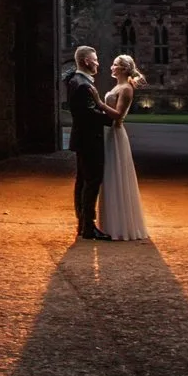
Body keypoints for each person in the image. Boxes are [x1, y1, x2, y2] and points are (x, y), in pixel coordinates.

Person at [97, 53, 150, 241]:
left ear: (123, 68)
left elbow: (118, 115)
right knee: (109, 175)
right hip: (109, 133)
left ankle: (120, 225)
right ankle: (110, 223)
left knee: (116, 174)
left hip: (115, 133)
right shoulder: (118, 86)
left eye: (115, 64)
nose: (111, 67)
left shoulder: (126, 88)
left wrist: (99, 103)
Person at [63, 44, 113, 239]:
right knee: (92, 181)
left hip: (83, 138)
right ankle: (88, 227)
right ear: (86, 61)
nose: (98, 63)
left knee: (83, 181)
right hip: (89, 139)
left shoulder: (78, 80)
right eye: (95, 59)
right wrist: (110, 118)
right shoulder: (82, 84)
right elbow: (87, 114)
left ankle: (83, 223)